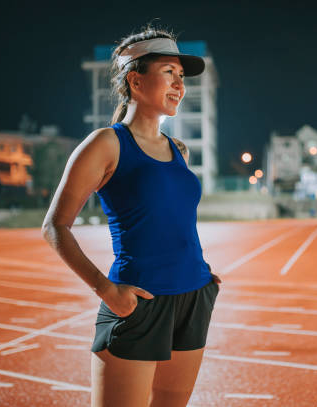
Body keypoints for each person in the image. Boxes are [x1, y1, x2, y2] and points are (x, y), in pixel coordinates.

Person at [41, 25, 221, 407]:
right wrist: (105, 290)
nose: (179, 85)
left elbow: (175, 222)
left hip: (193, 298)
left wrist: (204, 278)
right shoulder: (106, 143)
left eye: (182, 76)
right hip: (138, 302)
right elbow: (55, 227)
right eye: (169, 73)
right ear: (136, 81)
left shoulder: (179, 150)